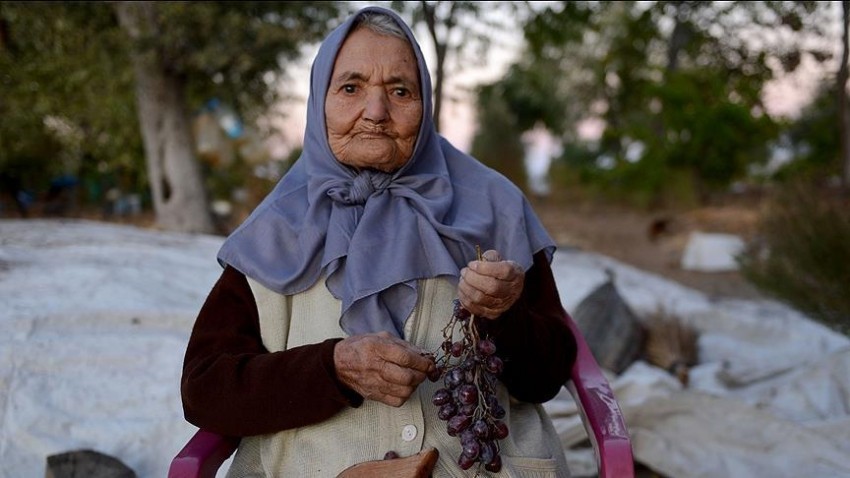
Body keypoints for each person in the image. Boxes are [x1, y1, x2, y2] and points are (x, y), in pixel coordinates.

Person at [181, 6, 577, 477]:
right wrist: (333, 367)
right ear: (319, 101)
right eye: (351, 88)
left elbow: (547, 376)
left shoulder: (494, 206)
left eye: (400, 91)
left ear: (425, 104)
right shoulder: (276, 228)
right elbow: (206, 390)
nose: (376, 112)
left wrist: (504, 315)